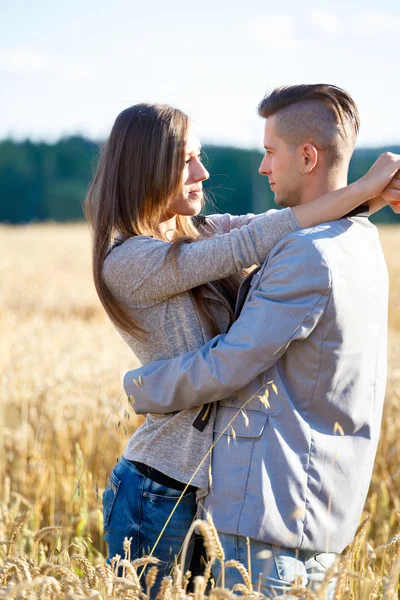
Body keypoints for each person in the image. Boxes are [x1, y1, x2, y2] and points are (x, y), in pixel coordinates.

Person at [84, 97, 398, 596]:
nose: (202, 171)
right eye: (186, 158)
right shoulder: (128, 261)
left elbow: (284, 222)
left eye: (200, 156)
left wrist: (375, 196)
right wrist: (365, 187)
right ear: (146, 165)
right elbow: (260, 239)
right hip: (159, 486)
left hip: (213, 493)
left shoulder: (196, 233)